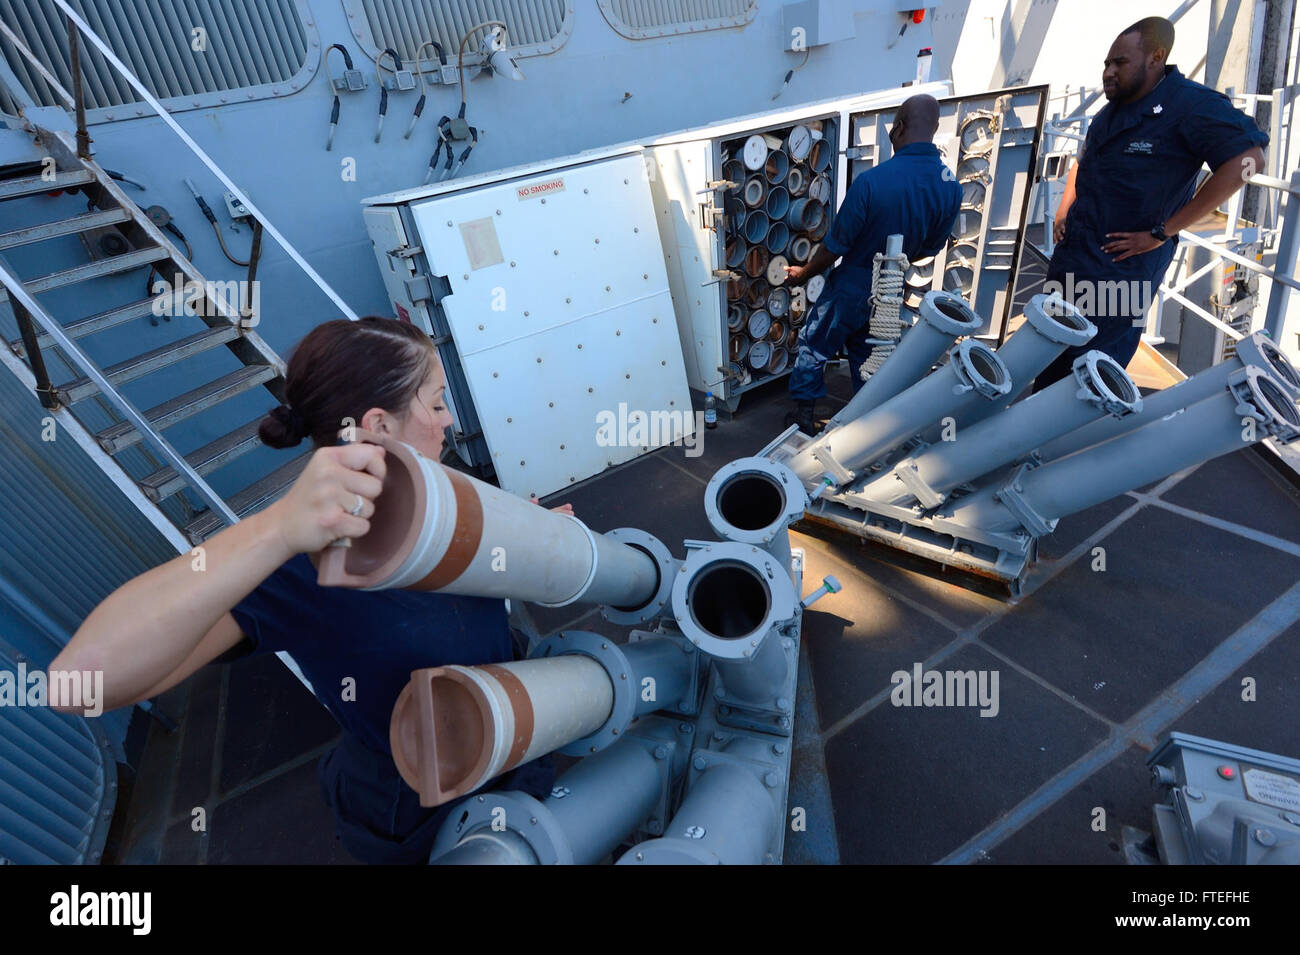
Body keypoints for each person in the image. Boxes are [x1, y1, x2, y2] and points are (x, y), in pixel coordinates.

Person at [51, 316, 570, 864]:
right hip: (426, 808)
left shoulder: (445, 495)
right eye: (437, 403)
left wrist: (524, 540)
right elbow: (78, 685)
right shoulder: (303, 561)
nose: (447, 422)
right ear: (380, 426)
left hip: (512, 740)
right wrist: (274, 529)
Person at [1035, 16, 1268, 391]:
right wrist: (1064, 210)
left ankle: (1065, 445)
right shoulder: (1114, 110)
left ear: (1156, 57)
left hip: (1120, 270)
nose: (1108, 72)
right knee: (1048, 354)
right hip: (1074, 259)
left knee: (1090, 373)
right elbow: (1083, 160)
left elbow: (1248, 161)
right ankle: (1025, 436)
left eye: (1120, 63)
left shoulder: (1191, 106)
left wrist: (1165, 231)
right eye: (1106, 64)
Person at [785, 93, 962, 434]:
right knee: (869, 354)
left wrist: (804, 273)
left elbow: (836, 245)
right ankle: (866, 426)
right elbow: (931, 248)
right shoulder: (950, 185)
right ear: (936, 128)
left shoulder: (872, 181)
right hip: (891, 288)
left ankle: (804, 417)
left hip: (853, 281)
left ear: (897, 128)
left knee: (815, 343)